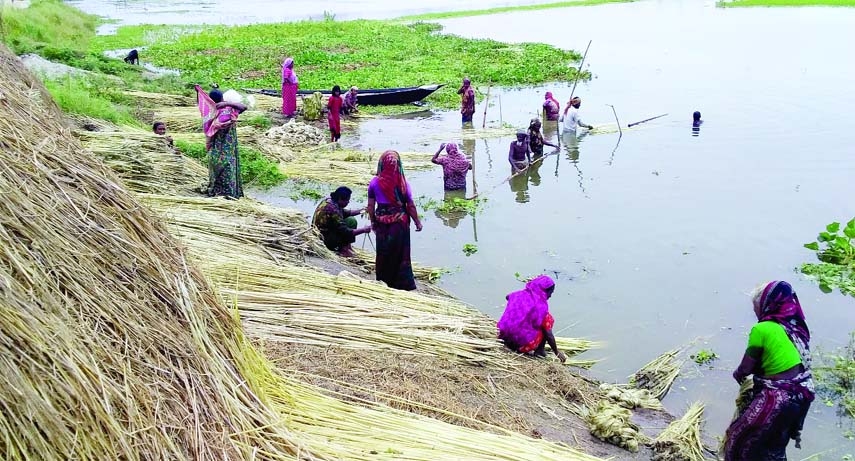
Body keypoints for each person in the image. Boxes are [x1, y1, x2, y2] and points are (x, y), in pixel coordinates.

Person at [724, 280, 815, 461]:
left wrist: (738, 374)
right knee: (773, 448)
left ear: (767, 304)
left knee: (737, 439)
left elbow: (746, 367)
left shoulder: (762, 328)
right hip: (801, 395)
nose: (755, 312)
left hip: (777, 398)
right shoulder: (794, 330)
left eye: (755, 307)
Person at [367, 150, 423, 291]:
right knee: (400, 253)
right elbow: (410, 205)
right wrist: (417, 222)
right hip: (400, 224)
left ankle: (383, 281)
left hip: (382, 222)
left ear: (381, 164)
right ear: (398, 165)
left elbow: (370, 206)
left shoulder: (374, 183)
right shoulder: (403, 183)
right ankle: (403, 284)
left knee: (383, 251)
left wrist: (373, 222)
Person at [497, 275, 567, 363]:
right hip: (520, 345)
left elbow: (508, 297)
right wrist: (557, 352)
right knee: (548, 321)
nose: (550, 296)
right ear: (543, 291)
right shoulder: (540, 308)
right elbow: (549, 335)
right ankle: (540, 351)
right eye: (550, 293)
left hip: (503, 336)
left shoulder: (518, 295)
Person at [196, 86, 247, 198]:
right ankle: (228, 195)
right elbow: (243, 107)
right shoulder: (228, 111)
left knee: (218, 169)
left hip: (218, 148)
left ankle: (220, 193)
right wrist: (228, 104)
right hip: (227, 148)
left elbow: (202, 106)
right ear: (222, 98)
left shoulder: (211, 113)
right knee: (227, 169)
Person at [312, 186, 371, 257]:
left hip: (325, 231)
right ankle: (344, 250)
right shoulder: (332, 209)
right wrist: (364, 230)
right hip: (323, 238)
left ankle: (347, 247)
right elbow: (346, 231)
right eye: (347, 200)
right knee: (345, 229)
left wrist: (363, 210)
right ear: (340, 199)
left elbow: (345, 213)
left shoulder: (331, 201)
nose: (348, 202)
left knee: (351, 220)